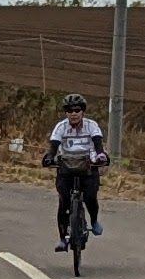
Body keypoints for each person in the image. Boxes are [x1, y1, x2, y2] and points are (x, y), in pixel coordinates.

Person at [45, 91, 107, 246]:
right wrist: (49, 157)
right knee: (64, 201)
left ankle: (94, 221)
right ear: (66, 113)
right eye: (70, 111)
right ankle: (61, 238)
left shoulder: (91, 126)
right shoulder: (61, 127)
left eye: (77, 110)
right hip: (66, 167)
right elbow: (53, 147)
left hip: (88, 167)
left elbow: (98, 144)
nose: (74, 114)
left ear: (82, 111)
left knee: (90, 197)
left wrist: (101, 155)